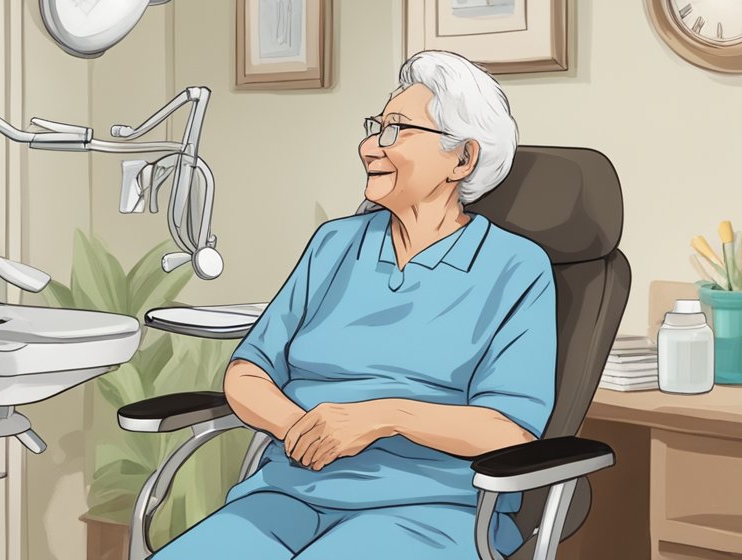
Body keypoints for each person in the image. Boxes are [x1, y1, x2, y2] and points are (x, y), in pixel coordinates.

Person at [155, 50, 556, 559]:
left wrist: (380, 418)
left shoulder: (515, 267)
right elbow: (247, 372)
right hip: (286, 496)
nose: (370, 147)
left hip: (431, 514)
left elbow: (509, 429)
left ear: (463, 158)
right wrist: (303, 431)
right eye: (376, 127)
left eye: (396, 130)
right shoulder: (335, 244)